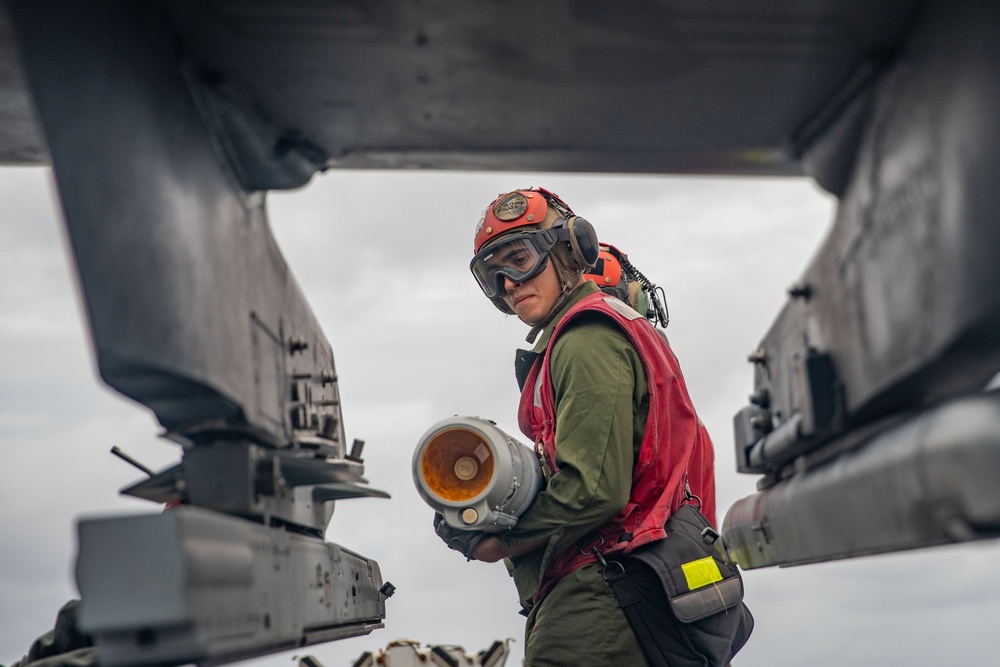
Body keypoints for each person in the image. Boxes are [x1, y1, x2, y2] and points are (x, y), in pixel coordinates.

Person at [436, 187, 717, 666]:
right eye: (493, 273)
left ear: (569, 250)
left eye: (519, 259)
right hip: (638, 586)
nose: (507, 282)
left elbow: (592, 492)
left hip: (603, 590)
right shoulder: (606, 328)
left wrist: (493, 542)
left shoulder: (586, 338)